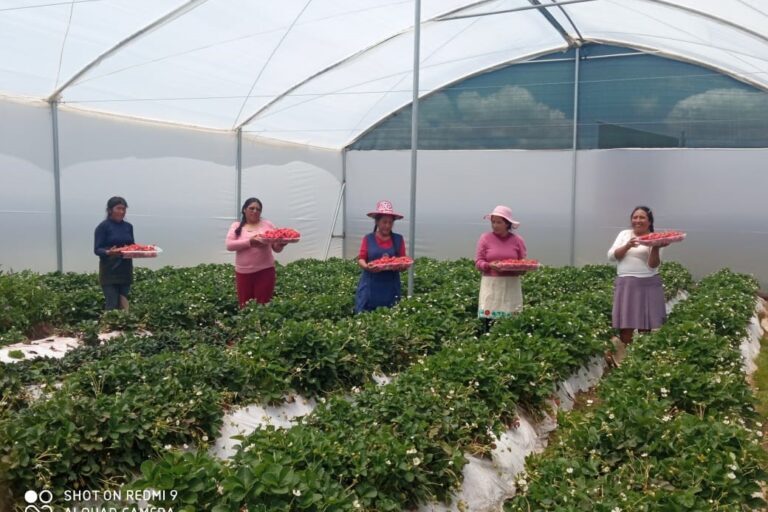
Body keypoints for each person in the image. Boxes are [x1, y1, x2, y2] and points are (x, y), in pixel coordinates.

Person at [607, 206, 669, 359]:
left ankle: (642, 358)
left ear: (649, 222)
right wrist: (627, 245)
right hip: (626, 283)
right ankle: (624, 357)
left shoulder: (655, 238)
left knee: (645, 324)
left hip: (648, 283)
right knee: (626, 324)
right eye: (635, 217)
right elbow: (611, 256)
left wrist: (655, 247)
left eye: (642, 218)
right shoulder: (624, 235)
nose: (638, 220)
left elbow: (653, 265)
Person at [226, 197, 287, 308]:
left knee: (263, 305)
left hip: (265, 271)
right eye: (251, 208)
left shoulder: (267, 224)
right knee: (245, 305)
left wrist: (281, 243)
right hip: (243, 273)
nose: (255, 211)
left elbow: (276, 248)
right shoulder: (236, 226)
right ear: (244, 209)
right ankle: (247, 325)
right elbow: (229, 245)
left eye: (258, 209)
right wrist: (250, 242)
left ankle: (262, 325)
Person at [475, 205, 527, 329]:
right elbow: (478, 262)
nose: (495, 225)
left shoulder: (517, 240)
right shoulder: (485, 238)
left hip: (511, 284)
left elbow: (523, 263)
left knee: (511, 323)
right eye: (493, 222)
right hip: (491, 284)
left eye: (499, 222)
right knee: (490, 321)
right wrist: (489, 265)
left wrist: (522, 269)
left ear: (507, 224)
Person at [354, 200, 408, 313]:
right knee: (366, 317)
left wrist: (402, 266)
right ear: (377, 222)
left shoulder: (398, 239)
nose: (387, 225)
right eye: (384, 222)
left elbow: (403, 260)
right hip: (370, 286)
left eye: (390, 222)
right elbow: (361, 258)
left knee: (390, 316)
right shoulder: (368, 238)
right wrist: (367, 266)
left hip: (391, 287)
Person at [94, 196, 135, 311]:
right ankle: (109, 326)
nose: (122, 212)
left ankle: (123, 327)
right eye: (118, 208)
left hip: (125, 269)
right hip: (110, 270)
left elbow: (132, 245)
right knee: (111, 303)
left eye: (124, 209)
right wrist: (109, 252)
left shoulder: (128, 227)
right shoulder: (103, 227)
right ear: (110, 210)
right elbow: (97, 249)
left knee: (124, 302)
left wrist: (138, 250)